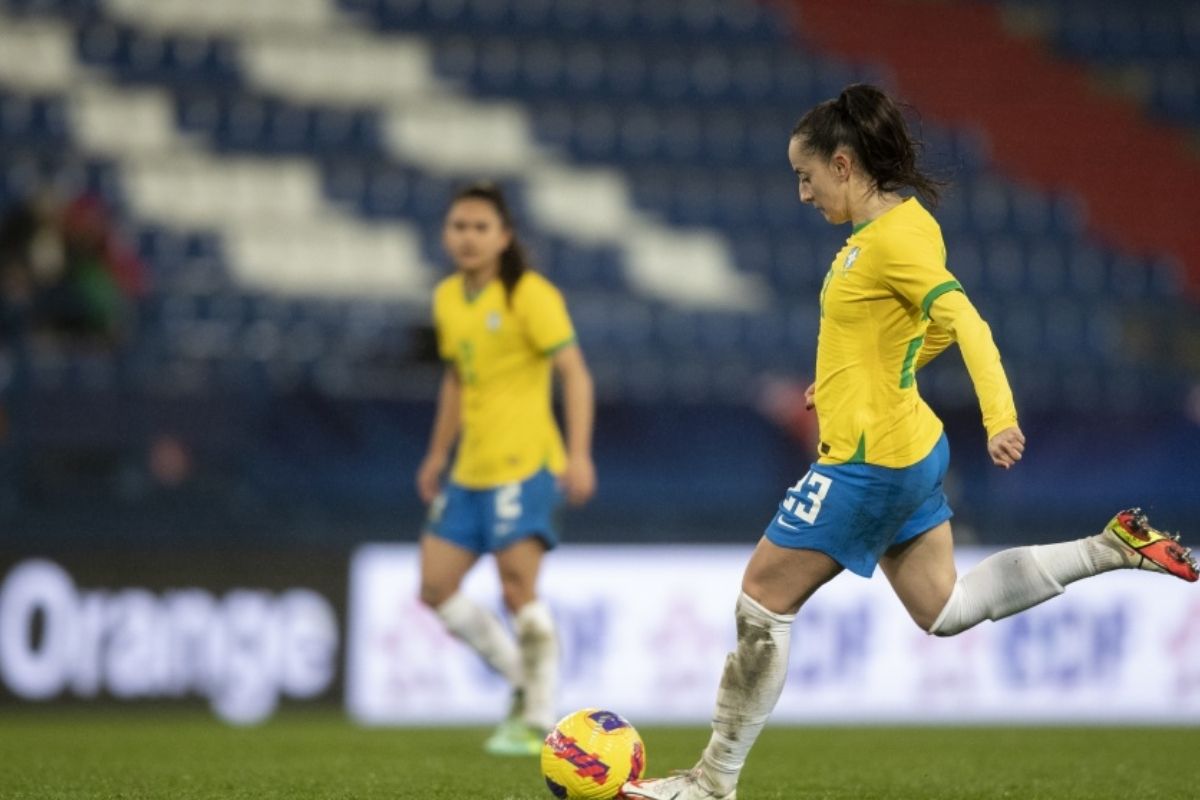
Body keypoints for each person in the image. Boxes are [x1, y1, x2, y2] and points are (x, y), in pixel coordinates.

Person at [622, 84, 1197, 800]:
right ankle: (1110, 546)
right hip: (910, 448)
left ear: (843, 163)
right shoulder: (908, 224)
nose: (802, 195)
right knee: (944, 609)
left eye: (805, 177)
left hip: (871, 460)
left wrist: (1000, 417)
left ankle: (713, 783)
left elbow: (966, 321)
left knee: (761, 603)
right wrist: (838, 383)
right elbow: (913, 334)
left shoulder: (887, 244)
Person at [416, 182, 596, 756]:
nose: (468, 238)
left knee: (519, 590)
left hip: (525, 465)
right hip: (469, 471)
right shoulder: (447, 298)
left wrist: (580, 452)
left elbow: (576, 374)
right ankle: (523, 680)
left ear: (504, 237)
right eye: (459, 227)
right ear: (447, 235)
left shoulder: (529, 295)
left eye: (480, 228)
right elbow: (456, 378)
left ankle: (538, 716)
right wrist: (436, 453)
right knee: (436, 587)